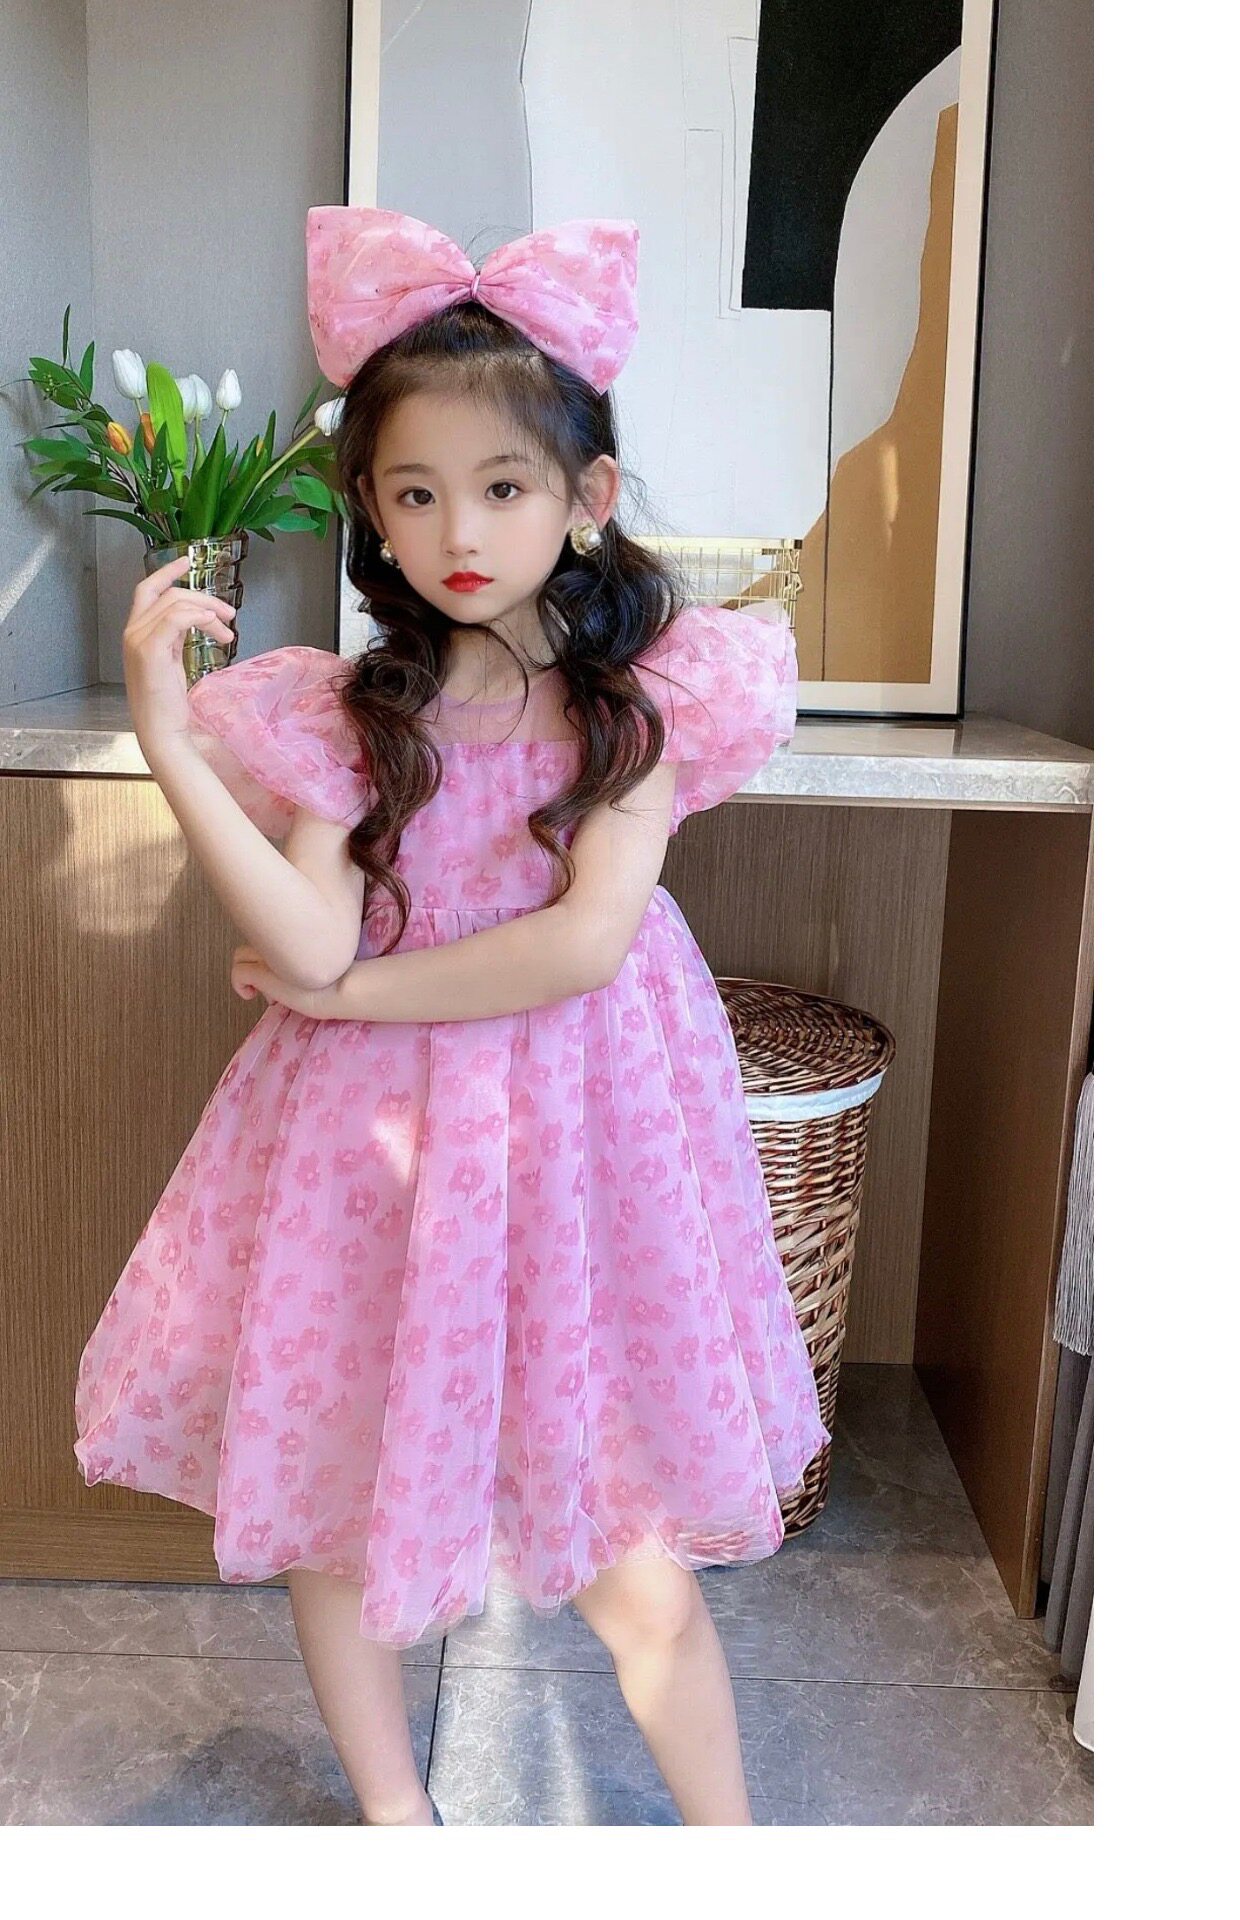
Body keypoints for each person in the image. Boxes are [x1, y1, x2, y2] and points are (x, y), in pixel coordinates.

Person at [73, 207, 830, 1828]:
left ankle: (732, 1850)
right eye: (414, 493)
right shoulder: (360, 712)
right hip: (367, 1152)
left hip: (580, 1139)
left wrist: (348, 993)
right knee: (338, 1495)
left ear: (587, 497)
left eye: (501, 487)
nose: (457, 531)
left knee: (626, 1543)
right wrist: (169, 741)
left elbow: (580, 947)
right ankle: (396, 1824)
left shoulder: (643, 699)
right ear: (371, 509)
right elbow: (300, 929)